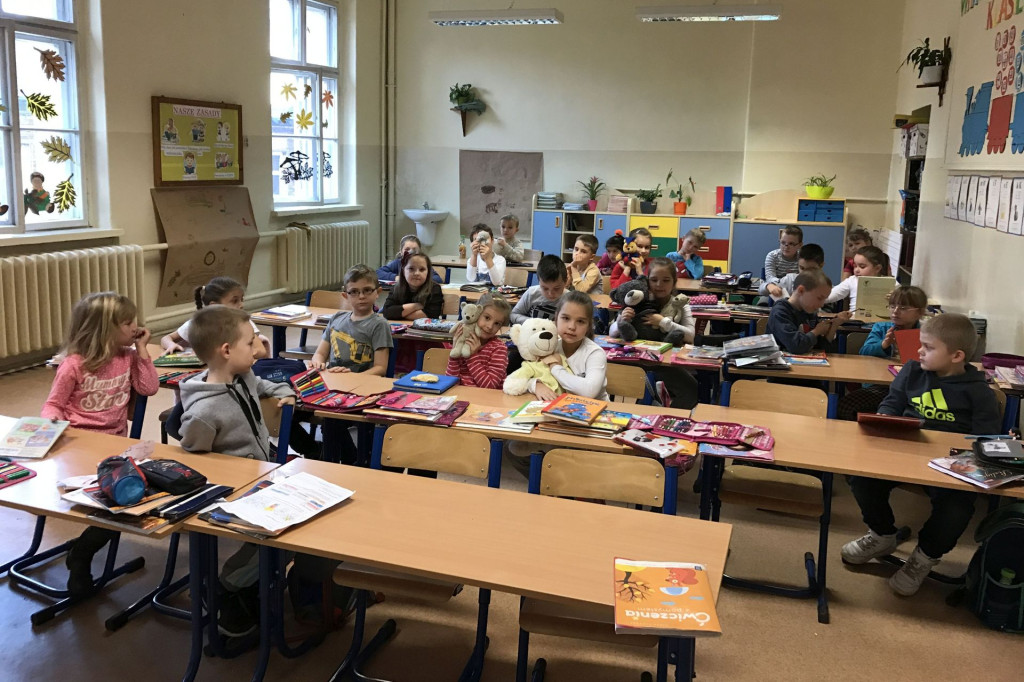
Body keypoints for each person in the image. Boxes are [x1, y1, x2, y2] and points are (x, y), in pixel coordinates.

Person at [178, 306, 338, 636]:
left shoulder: (243, 377)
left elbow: (266, 384)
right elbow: (196, 459)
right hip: (230, 494)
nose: (258, 349)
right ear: (226, 351)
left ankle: (261, 585)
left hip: (260, 479)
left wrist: (285, 394)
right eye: (251, 342)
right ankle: (228, 586)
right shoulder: (204, 411)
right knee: (288, 534)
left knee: (316, 514)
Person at [841, 313, 1000, 596]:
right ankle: (882, 534)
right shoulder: (912, 371)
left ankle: (924, 556)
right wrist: (884, 418)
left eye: (928, 347)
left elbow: (983, 438)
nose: (919, 351)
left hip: (950, 465)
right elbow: (892, 403)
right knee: (860, 476)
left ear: (956, 356)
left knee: (957, 508)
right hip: (904, 452)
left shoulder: (979, 392)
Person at [41, 292, 159, 596]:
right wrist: (52, 422)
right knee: (113, 500)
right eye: (128, 323)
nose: (135, 327)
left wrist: (142, 349)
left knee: (129, 499)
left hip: (113, 448)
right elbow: (53, 405)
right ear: (104, 329)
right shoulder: (73, 364)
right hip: (77, 447)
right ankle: (82, 554)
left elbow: (149, 387)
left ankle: (81, 551)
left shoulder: (128, 357)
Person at [506, 292, 609, 477]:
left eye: (580, 321)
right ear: (555, 319)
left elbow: (589, 391)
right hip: (558, 418)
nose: (571, 326)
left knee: (563, 458)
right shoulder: (548, 343)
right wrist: (535, 384)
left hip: (590, 422)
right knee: (512, 448)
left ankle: (560, 483)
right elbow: (530, 370)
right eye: (566, 318)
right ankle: (546, 483)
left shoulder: (595, 353)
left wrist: (555, 368)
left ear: (588, 326)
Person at [610, 257, 697, 409]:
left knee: (691, 389)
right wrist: (621, 320)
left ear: (674, 282)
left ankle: (668, 417)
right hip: (636, 361)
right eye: (654, 280)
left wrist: (663, 322)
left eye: (666, 280)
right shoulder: (636, 299)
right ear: (647, 281)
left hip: (664, 364)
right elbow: (612, 332)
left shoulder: (680, 304)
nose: (659, 285)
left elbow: (690, 335)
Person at [837, 285, 928, 420]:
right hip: (882, 386)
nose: (895, 312)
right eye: (892, 306)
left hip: (916, 388)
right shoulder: (881, 327)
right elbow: (864, 352)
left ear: (919, 312)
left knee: (920, 412)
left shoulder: (926, 334)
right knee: (845, 405)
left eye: (903, 308)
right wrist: (884, 344)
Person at [161, 276, 271, 359]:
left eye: (242, 299)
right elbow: (166, 338)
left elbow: (261, 351)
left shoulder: (244, 323)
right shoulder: (198, 324)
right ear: (214, 306)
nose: (241, 305)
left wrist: (231, 356)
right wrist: (171, 345)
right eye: (235, 301)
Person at [311, 265, 392, 376]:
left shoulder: (380, 324)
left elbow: (380, 368)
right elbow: (320, 354)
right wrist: (318, 363)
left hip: (361, 382)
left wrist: (353, 378)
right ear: (345, 296)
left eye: (367, 290)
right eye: (354, 291)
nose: (361, 296)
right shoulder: (336, 318)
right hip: (333, 378)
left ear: (378, 292)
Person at [766, 269, 851, 354]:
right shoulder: (780, 312)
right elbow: (796, 346)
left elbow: (822, 349)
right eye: (819, 298)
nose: (822, 305)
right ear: (801, 291)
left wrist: (834, 325)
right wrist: (817, 331)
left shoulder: (809, 311)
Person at [445, 292, 511, 389]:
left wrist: (472, 356)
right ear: (476, 313)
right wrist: (454, 352)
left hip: (486, 397)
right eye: (487, 318)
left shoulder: (499, 349)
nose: (490, 326)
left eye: (497, 323)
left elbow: (490, 386)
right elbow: (450, 382)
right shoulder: (462, 341)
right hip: (461, 395)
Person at [381, 251, 444, 320]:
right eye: (411, 269)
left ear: (428, 272)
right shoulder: (396, 287)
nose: (417, 273)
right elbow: (387, 312)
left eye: (422, 269)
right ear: (403, 271)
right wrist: (415, 306)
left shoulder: (434, 288)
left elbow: (431, 315)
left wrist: (400, 314)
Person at [824, 245, 889, 312]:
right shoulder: (852, 280)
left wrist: (893, 298)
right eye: (855, 266)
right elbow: (830, 295)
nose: (856, 270)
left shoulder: (889, 283)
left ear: (877, 268)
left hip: (881, 318)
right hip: (855, 317)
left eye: (862, 266)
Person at [510, 254, 567, 325]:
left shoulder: (569, 299)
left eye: (556, 288)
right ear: (539, 282)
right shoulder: (532, 293)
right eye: (545, 288)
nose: (550, 293)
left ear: (565, 282)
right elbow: (513, 315)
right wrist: (534, 322)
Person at [376, 234, 442, 283]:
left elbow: (437, 279)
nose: (411, 252)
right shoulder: (398, 263)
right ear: (401, 251)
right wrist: (396, 278)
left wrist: (421, 279)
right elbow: (378, 273)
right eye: (407, 249)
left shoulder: (424, 264)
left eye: (414, 250)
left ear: (420, 251)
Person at [759, 226, 803, 298]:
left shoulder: (803, 258)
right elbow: (770, 278)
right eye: (783, 242)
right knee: (763, 301)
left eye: (791, 243)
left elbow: (805, 279)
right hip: (775, 291)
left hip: (796, 293)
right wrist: (783, 283)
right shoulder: (772, 256)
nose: (786, 247)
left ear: (800, 245)